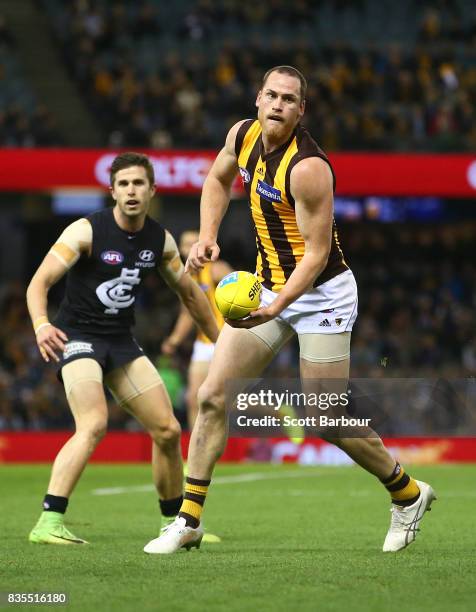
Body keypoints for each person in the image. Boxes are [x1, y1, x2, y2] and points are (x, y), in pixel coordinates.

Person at [143, 66, 436, 555]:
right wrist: (209, 237)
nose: (278, 105)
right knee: (213, 396)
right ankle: (187, 519)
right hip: (267, 286)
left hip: (321, 294)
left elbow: (317, 255)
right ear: (258, 99)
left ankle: (406, 494)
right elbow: (216, 181)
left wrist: (277, 305)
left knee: (324, 418)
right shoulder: (242, 135)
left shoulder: (309, 168)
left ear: (302, 111)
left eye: (290, 99)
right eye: (272, 95)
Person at [27, 152, 219, 545]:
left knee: (167, 430)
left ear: (152, 190)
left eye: (139, 184)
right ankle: (48, 521)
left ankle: (176, 524)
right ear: (112, 191)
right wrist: (42, 325)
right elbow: (38, 283)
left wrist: (222, 341)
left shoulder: (160, 240)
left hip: (120, 341)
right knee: (94, 422)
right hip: (76, 336)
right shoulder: (85, 231)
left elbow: (191, 295)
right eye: (124, 184)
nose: (131, 191)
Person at [161, 229, 232, 430]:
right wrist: (174, 340)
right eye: (186, 244)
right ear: (182, 249)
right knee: (194, 397)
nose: (191, 248)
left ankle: (278, 411)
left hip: (226, 341)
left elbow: (244, 296)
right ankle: (195, 454)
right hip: (203, 343)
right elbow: (188, 314)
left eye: (195, 243)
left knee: (232, 399)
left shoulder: (218, 269)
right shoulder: (187, 277)